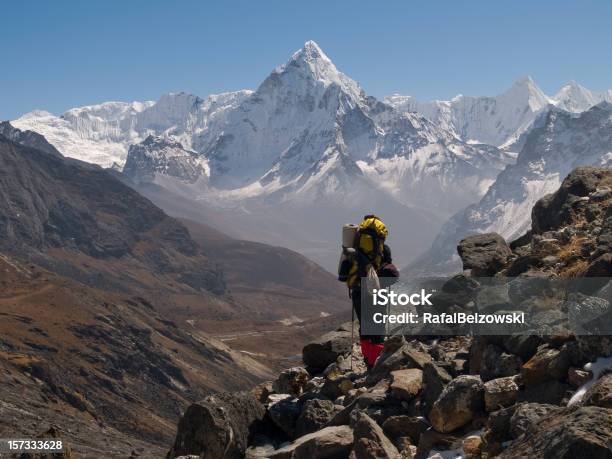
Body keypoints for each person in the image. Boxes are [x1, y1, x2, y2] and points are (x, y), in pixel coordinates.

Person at [345, 215, 399, 368]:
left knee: (365, 326)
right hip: (378, 292)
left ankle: (368, 361)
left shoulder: (352, 249)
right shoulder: (383, 248)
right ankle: (377, 364)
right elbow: (389, 269)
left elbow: (343, 273)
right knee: (377, 327)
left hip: (357, 291)